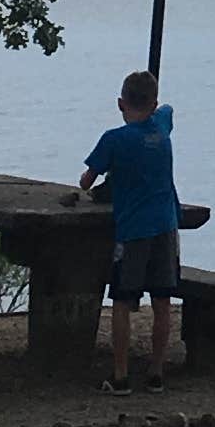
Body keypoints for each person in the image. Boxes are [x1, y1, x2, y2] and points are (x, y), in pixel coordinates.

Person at [79, 68, 183, 391]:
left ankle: (121, 375)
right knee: (162, 300)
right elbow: (169, 112)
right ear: (153, 105)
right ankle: (156, 373)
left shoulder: (114, 139)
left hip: (133, 230)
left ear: (120, 104)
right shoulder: (161, 129)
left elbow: (87, 180)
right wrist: (157, 109)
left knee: (122, 301)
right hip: (166, 227)